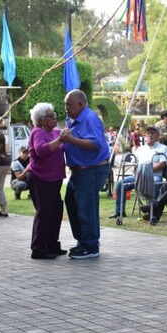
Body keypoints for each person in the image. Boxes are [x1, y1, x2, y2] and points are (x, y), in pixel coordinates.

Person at [61, 89, 110, 259]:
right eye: (65, 104)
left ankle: (90, 245)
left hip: (92, 169)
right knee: (72, 202)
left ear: (80, 104)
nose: (66, 108)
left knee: (86, 206)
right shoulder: (72, 120)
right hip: (78, 170)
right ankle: (82, 241)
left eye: (69, 105)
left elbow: (96, 143)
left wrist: (72, 140)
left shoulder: (90, 118)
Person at [27, 103, 66, 260]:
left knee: (55, 211)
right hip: (40, 178)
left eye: (54, 114)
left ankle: (51, 244)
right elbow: (41, 150)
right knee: (44, 212)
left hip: (54, 178)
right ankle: (38, 248)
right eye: (50, 116)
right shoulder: (37, 132)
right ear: (41, 120)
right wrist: (60, 140)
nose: (54, 117)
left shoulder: (54, 132)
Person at [110, 125, 167, 219]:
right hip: (139, 176)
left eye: (153, 133)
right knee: (121, 184)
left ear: (158, 136)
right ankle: (119, 211)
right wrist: (136, 170)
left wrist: (147, 170)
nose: (150, 135)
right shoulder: (140, 149)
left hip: (154, 175)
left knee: (156, 182)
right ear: (145, 135)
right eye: (148, 133)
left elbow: (162, 164)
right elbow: (133, 163)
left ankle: (151, 211)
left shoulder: (163, 148)